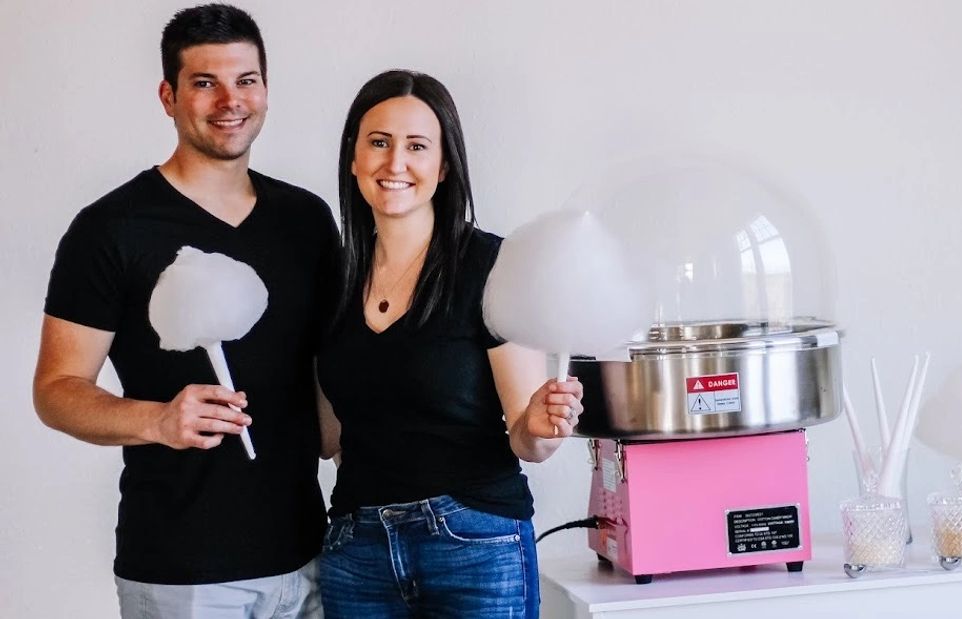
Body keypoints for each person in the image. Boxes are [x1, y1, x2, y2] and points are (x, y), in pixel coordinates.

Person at [32, 4, 336, 617]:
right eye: (205, 83)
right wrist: (156, 420)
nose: (230, 100)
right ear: (168, 96)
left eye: (245, 80)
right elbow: (56, 390)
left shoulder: (307, 220)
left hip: (312, 553)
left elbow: (328, 380)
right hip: (181, 570)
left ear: (266, 90)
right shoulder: (111, 229)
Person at [315, 70, 584, 618]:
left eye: (417, 146)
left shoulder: (489, 266)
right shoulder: (331, 281)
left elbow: (528, 442)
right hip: (356, 548)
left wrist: (539, 424)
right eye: (379, 143)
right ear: (353, 157)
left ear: (443, 167)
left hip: (471, 541)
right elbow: (327, 438)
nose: (395, 163)